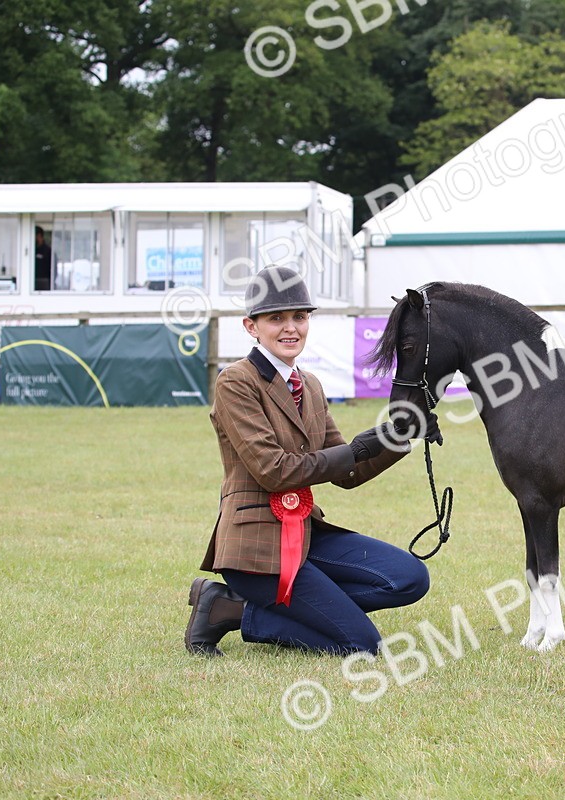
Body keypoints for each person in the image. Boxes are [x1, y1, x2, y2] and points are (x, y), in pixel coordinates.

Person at [185, 265, 441, 657]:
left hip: (305, 534)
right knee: (362, 645)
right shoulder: (235, 382)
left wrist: (397, 433)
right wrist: (358, 448)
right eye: (277, 319)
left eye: (300, 317)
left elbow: (348, 474)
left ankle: (269, 607)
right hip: (255, 549)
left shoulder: (312, 386)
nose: (291, 328)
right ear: (251, 326)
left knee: (409, 578)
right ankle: (236, 610)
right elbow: (274, 471)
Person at [34, 227, 52, 291]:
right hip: (32, 284)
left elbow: (53, 271)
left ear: (39, 236)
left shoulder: (48, 251)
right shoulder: (32, 250)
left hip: (45, 285)